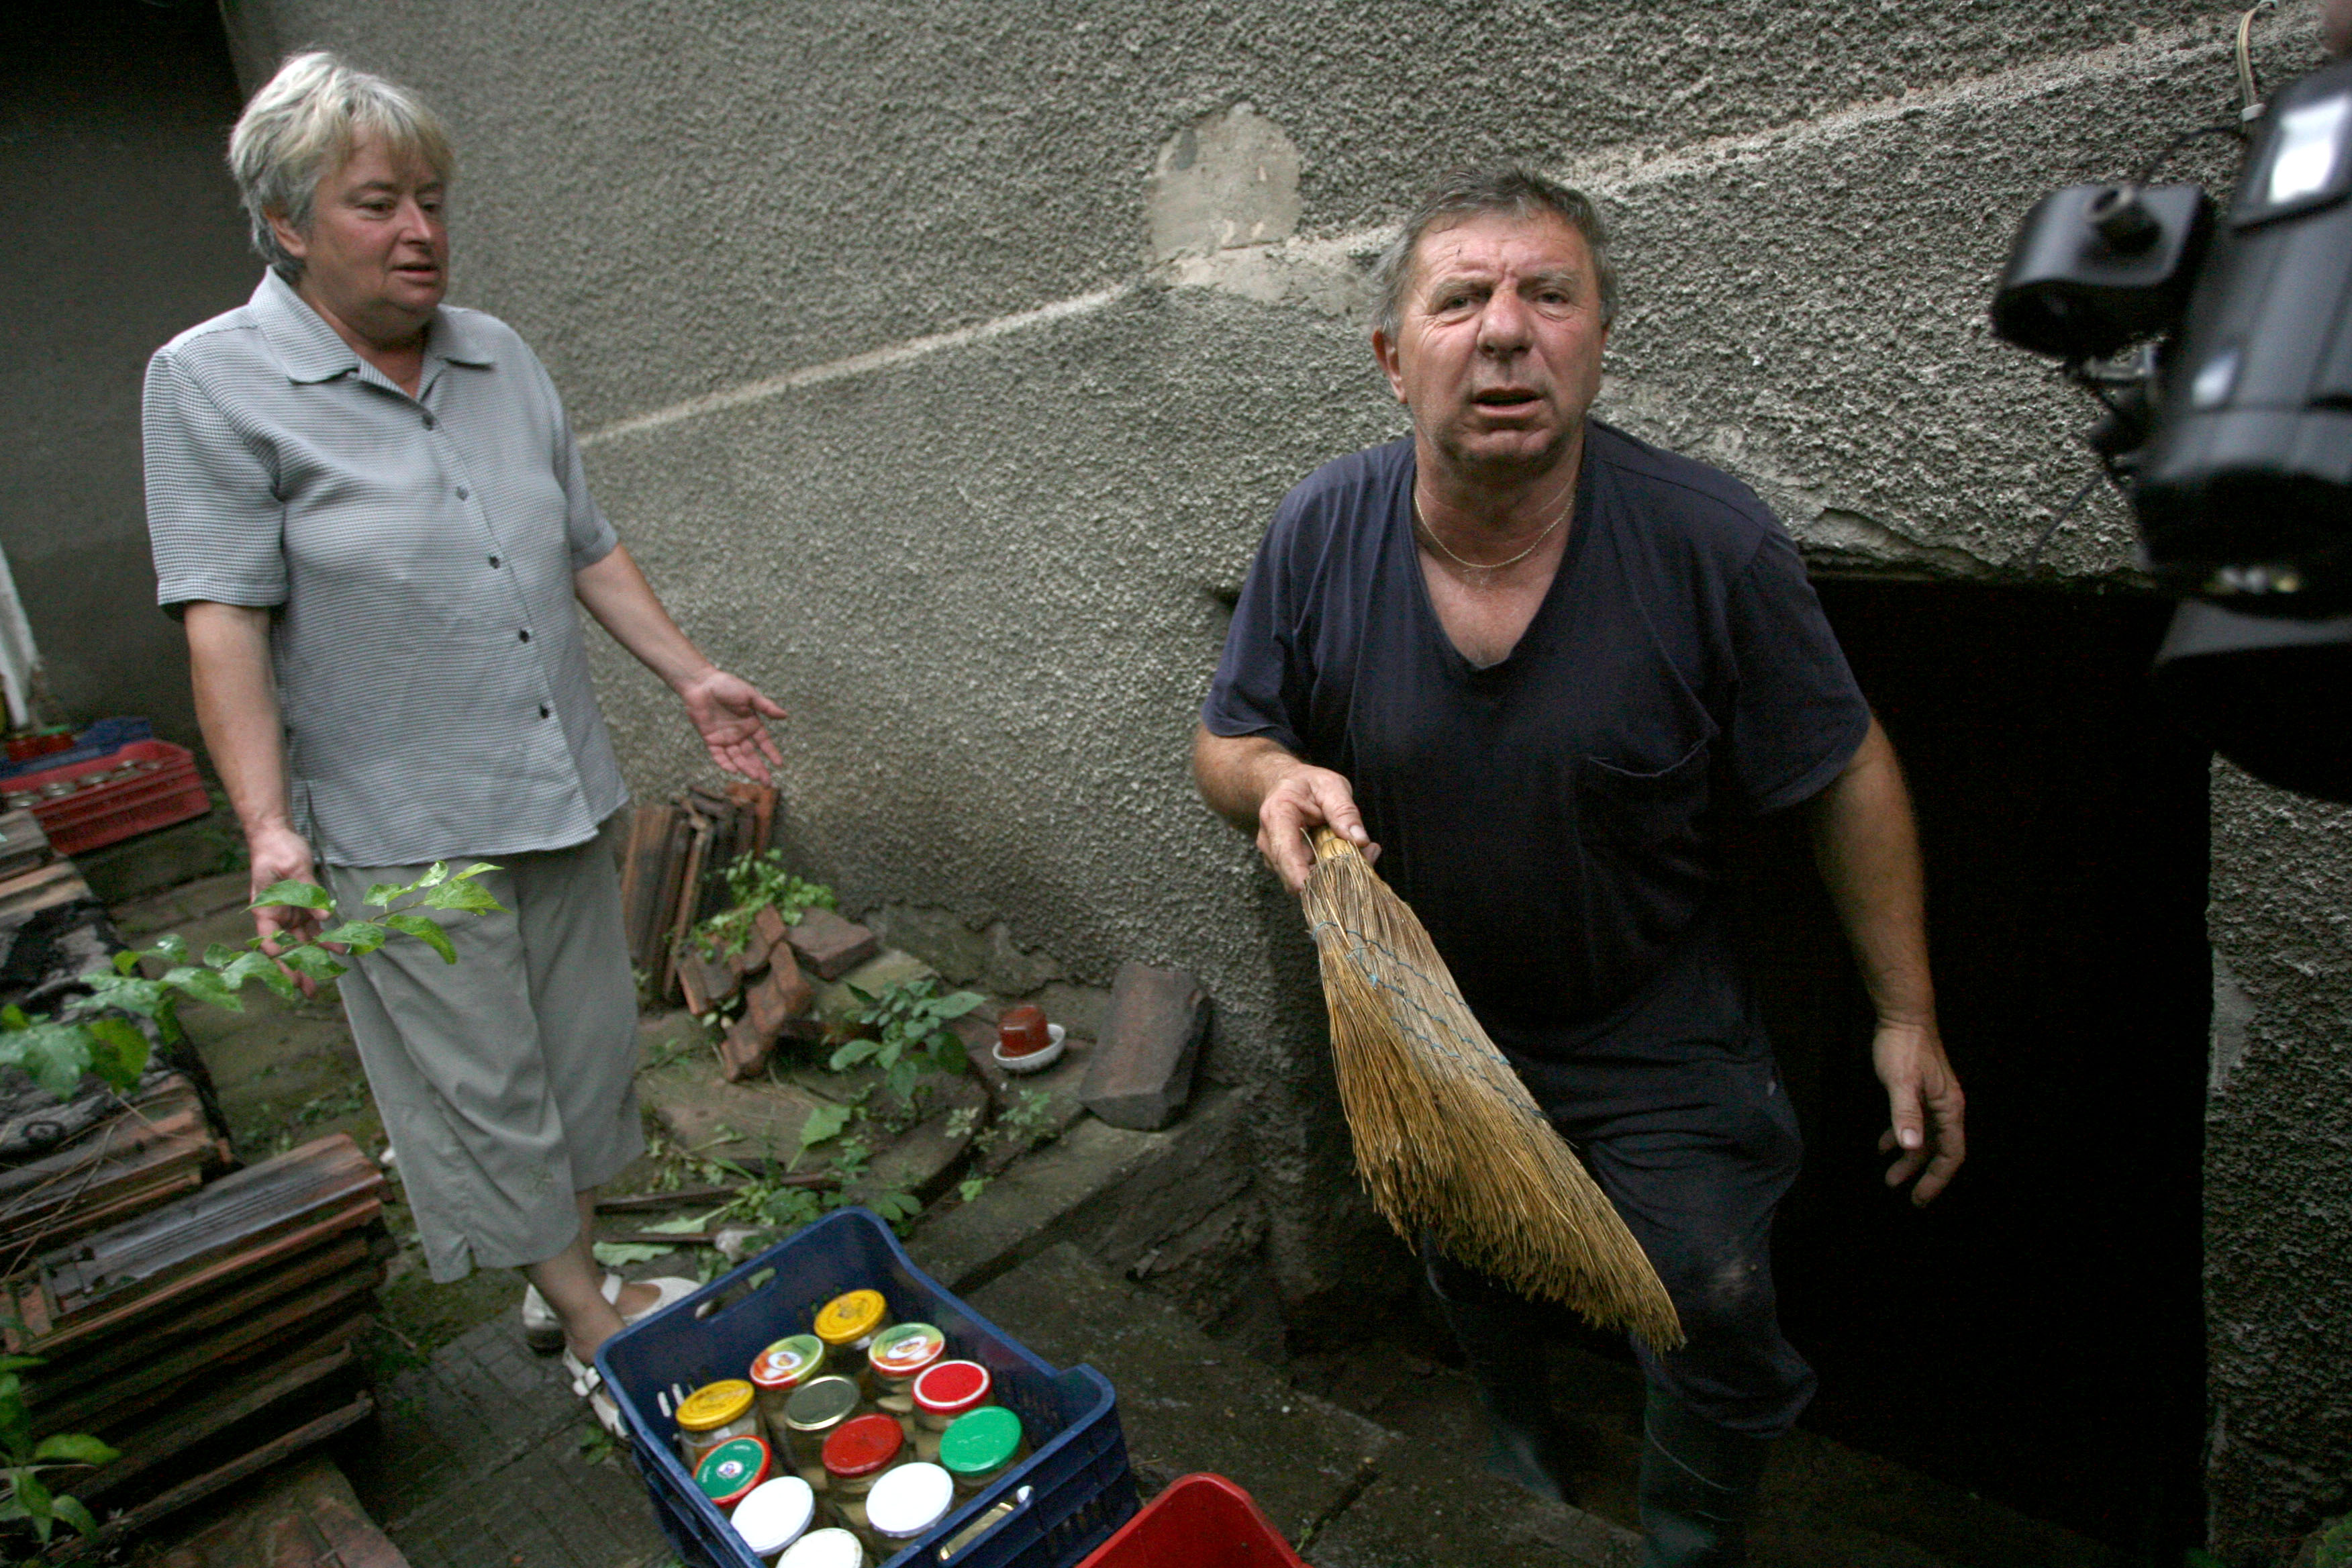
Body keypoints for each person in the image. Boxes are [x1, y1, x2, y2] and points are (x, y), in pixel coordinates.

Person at [1193, 166, 1965, 1566]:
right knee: (1464, 1247)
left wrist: (1905, 1011)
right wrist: (1270, 777)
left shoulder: (1708, 541)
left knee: (1713, 1297)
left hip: (1650, 1013)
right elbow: (1226, 736)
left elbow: (1842, 765)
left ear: (1599, 341)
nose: (1506, 331)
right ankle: (1520, 1439)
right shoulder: (1318, 531)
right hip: (1424, 1015)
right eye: (1461, 299)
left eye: (1550, 295)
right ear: (1391, 356)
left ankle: (1684, 1536)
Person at [142, 51, 786, 1428]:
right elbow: (223, 623)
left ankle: (577, 1268)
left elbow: (585, 545)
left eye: (432, 198)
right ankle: (592, 1326)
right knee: (484, 1090)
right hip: (398, 828)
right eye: (378, 204)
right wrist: (267, 831)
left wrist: (690, 675)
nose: (422, 232)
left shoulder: (499, 355)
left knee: (585, 1056)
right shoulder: (214, 382)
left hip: (551, 784)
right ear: (288, 224)